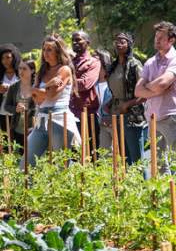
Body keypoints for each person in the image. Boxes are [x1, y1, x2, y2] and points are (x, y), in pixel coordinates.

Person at [135, 21, 176, 168]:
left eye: (161, 38)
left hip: (171, 116)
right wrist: (156, 88)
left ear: (171, 40)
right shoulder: (150, 62)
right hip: (152, 117)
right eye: (156, 37)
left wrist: (149, 86)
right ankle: (166, 190)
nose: (157, 40)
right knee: (159, 163)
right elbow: (138, 91)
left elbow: (163, 83)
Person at [26, 35, 81, 166]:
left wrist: (36, 90)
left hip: (59, 120)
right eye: (44, 49)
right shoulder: (42, 72)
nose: (45, 53)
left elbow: (51, 95)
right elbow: (36, 100)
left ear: (58, 51)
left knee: (62, 164)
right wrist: (48, 85)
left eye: (49, 49)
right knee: (26, 164)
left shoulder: (64, 70)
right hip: (41, 120)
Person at [107, 32, 146, 164]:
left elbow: (144, 94)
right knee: (124, 156)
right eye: (116, 41)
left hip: (132, 117)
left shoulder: (135, 65)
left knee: (137, 158)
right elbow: (116, 91)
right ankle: (129, 183)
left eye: (122, 41)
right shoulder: (113, 66)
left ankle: (143, 184)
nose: (118, 44)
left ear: (129, 45)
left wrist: (128, 104)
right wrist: (110, 102)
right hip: (116, 114)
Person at [69, 31, 102, 152]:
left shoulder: (93, 62)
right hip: (71, 114)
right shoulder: (70, 62)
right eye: (73, 40)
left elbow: (85, 84)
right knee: (74, 154)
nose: (74, 42)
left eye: (78, 40)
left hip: (87, 114)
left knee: (91, 153)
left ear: (87, 43)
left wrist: (65, 81)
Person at [0, 58, 35, 151]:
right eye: (20, 68)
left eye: (24, 69)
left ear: (32, 70)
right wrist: (16, 108)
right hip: (17, 129)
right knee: (19, 156)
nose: (21, 71)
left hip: (34, 128)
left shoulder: (37, 86)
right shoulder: (14, 87)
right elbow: (6, 106)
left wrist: (29, 108)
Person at [94, 49, 113, 151]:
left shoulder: (113, 81)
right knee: (105, 156)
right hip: (99, 125)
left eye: (96, 59)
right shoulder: (92, 84)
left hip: (114, 123)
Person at [0, 44, 20, 114]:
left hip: (18, 113)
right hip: (2, 114)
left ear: (14, 58)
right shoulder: (1, 75)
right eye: (2, 58)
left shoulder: (21, 73)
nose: (5, 60)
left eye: (8, 57)